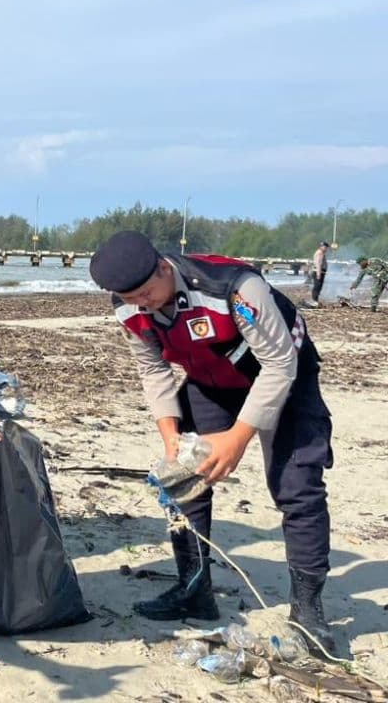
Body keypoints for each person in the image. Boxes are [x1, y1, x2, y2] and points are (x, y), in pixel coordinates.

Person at [89, 231, 340, 658]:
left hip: (284, 379)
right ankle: (194, 588)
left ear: (165, 268)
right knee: (185, 475)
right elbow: (152, 368)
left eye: (149, 292)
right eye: (133, 298)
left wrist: (237, 439)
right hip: (211, 382)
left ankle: (308, 609)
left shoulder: (234, 288)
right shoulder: (128, 305)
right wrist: (170, 434)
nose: (144, 304)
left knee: (296, 488)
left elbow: (281, 365)